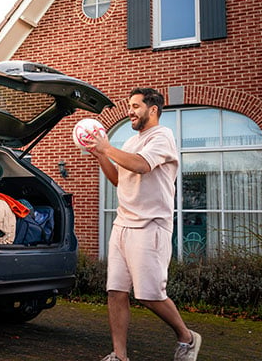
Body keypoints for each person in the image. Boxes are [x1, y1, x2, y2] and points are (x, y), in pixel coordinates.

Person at [83, 88, 202, 361]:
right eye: (129, 106)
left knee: (149, 295)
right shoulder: (129, 143)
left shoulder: (163, 137)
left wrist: (107, 147)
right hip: (123, 224)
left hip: (151, 226)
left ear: (153, 110)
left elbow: (142, 166)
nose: (130, 111)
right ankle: (119, 355)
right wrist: (101, 156)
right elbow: (119, 179)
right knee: (115, 292)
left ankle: (187, 337)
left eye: (135, 106)